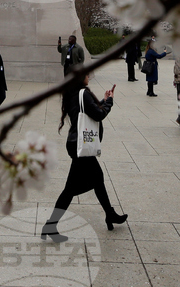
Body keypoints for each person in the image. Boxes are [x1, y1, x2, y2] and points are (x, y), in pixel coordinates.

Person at [41, 72, 127, 243]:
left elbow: (89, 111)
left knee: (96, 179)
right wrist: (109, 102)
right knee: (74, 188)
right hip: (81, 146)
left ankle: (109, 215)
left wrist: (102, 101)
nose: (89, 75)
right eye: (86, 73)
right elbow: (99, 115)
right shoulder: (84, 93)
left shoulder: (74, 93)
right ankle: (50, 225)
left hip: (75, 144)